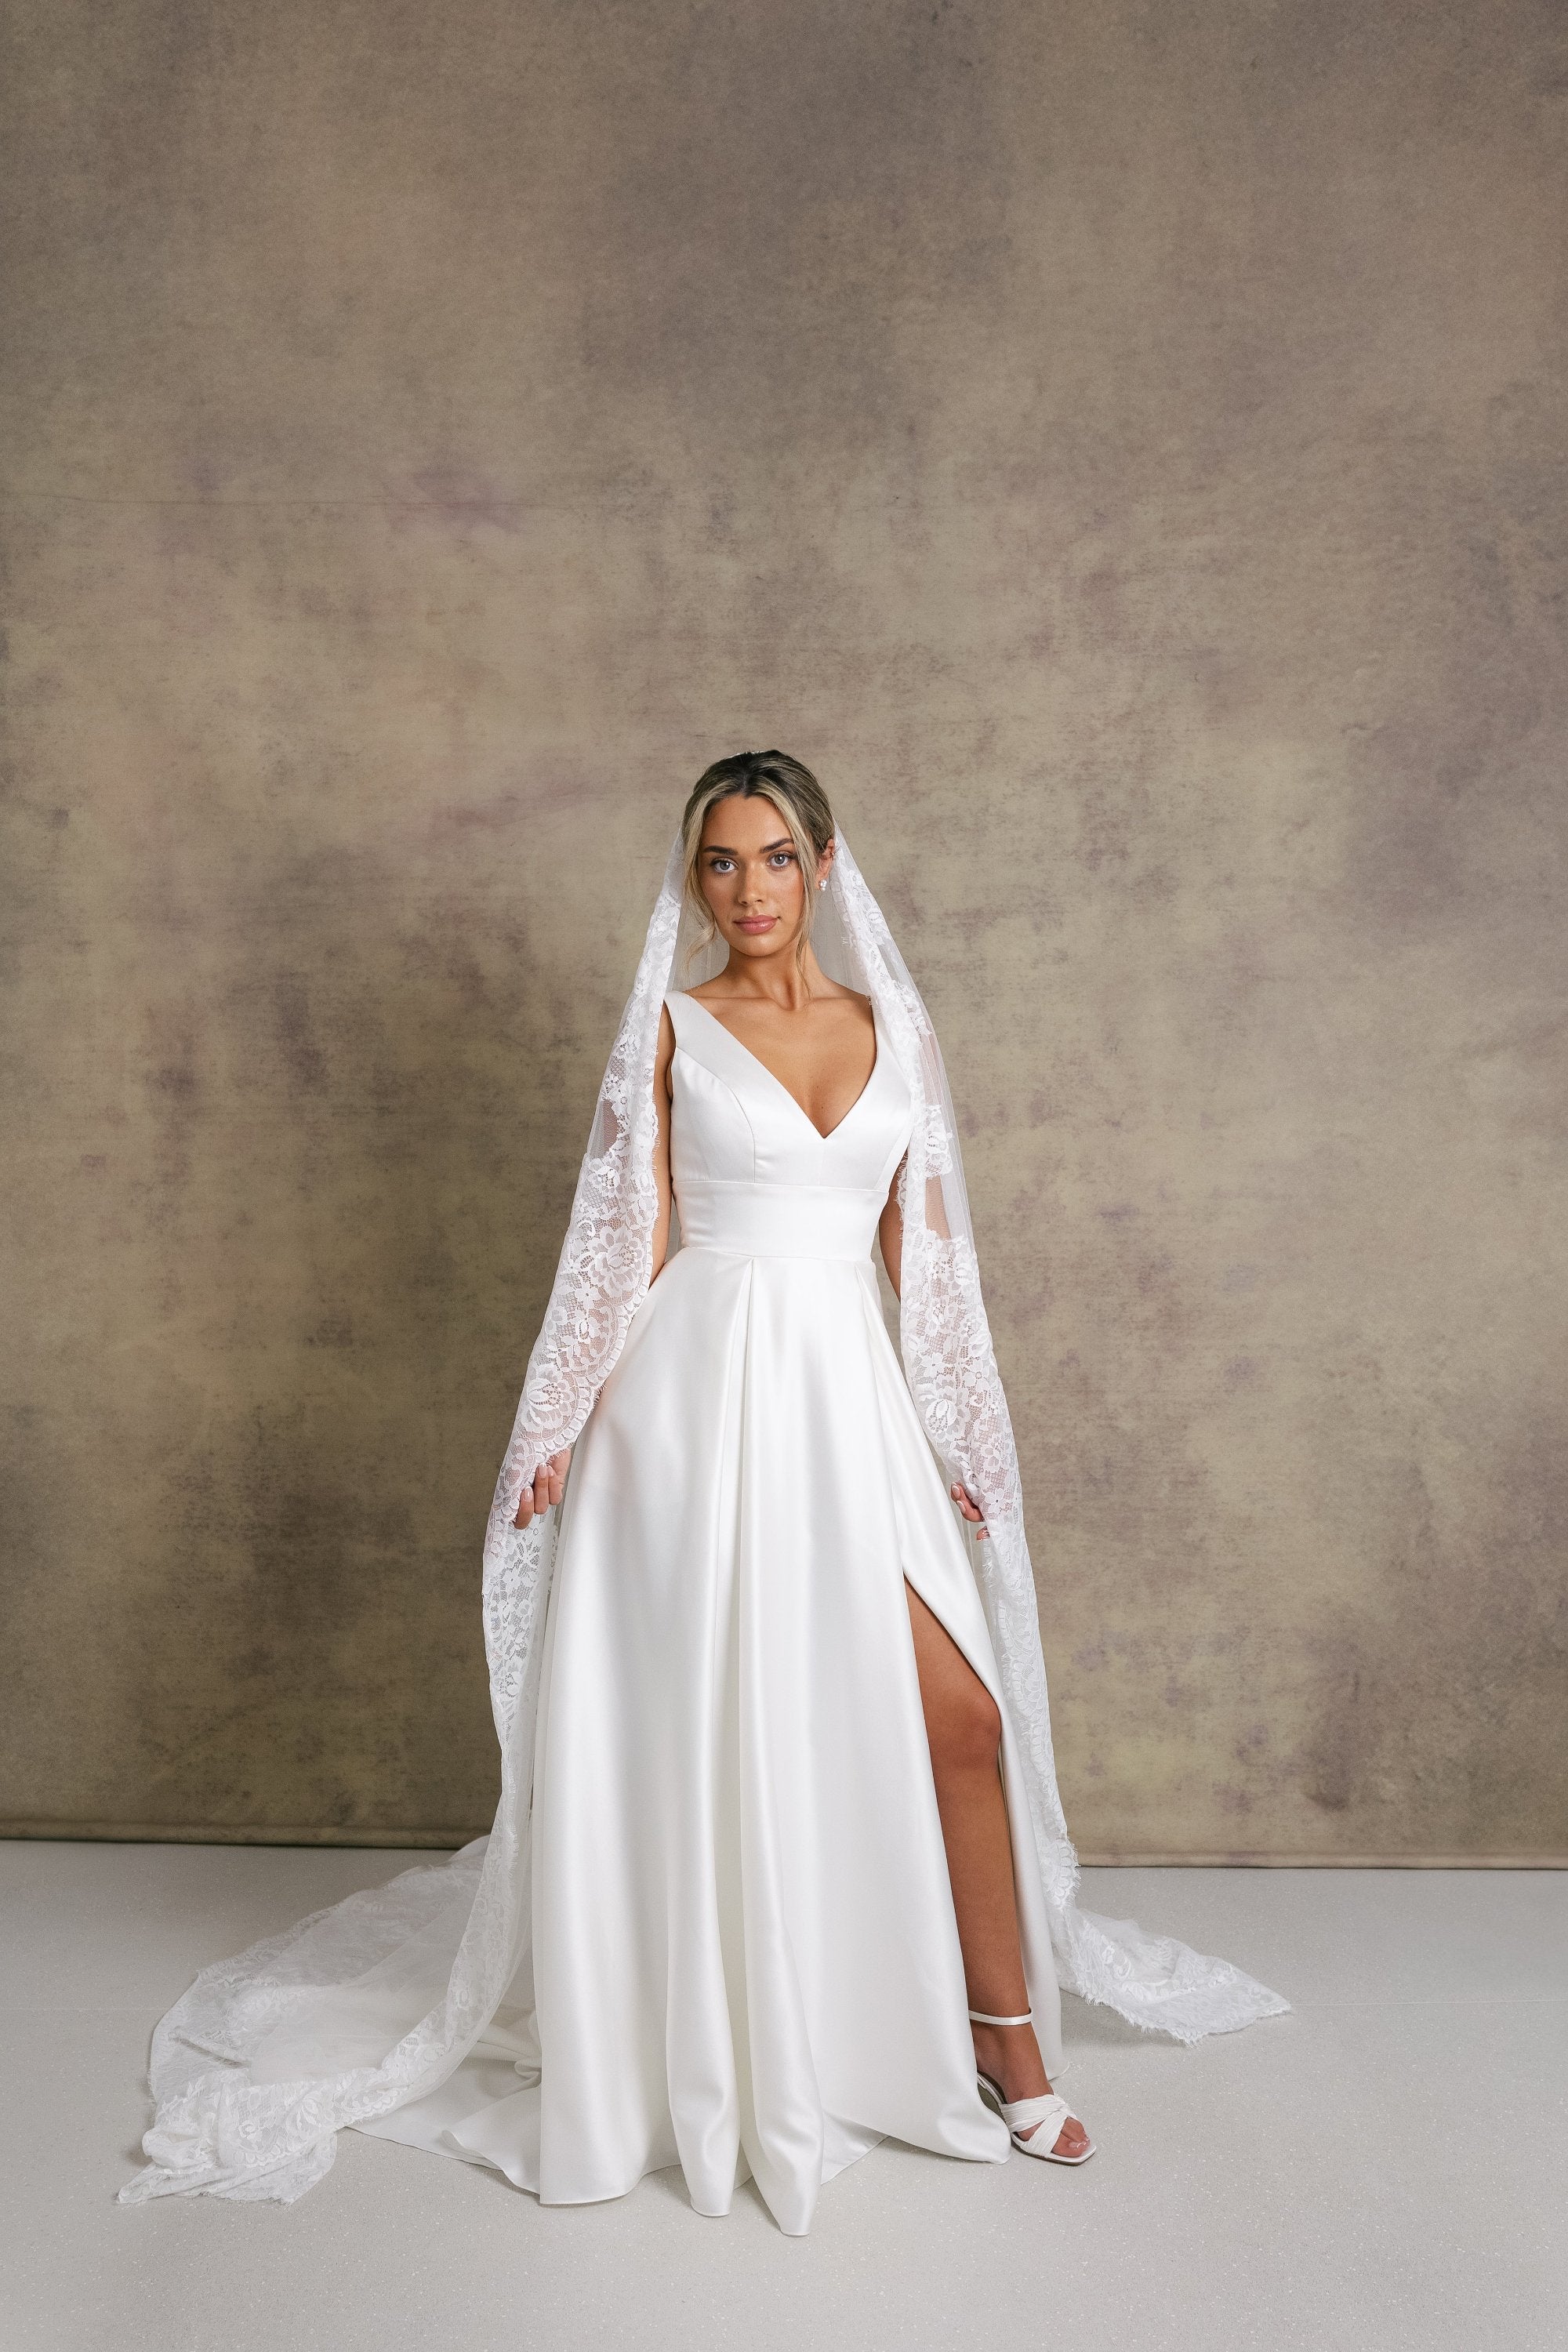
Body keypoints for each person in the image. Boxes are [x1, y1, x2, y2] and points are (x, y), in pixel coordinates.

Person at [122, 753, 1287, 2231]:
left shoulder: (893, 1032)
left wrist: (964, 1436)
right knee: (718, 1723)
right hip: (689, 1410)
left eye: (775, 858)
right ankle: (731, 2040)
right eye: (719, 863)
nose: (746, 890)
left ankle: (1004, 2044)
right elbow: (625, 1239)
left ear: (825, 865)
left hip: (846, 1406)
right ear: (694, 879)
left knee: (960, 1719)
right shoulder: (672, 1033)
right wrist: (557, 1422)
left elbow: (926, 1264)